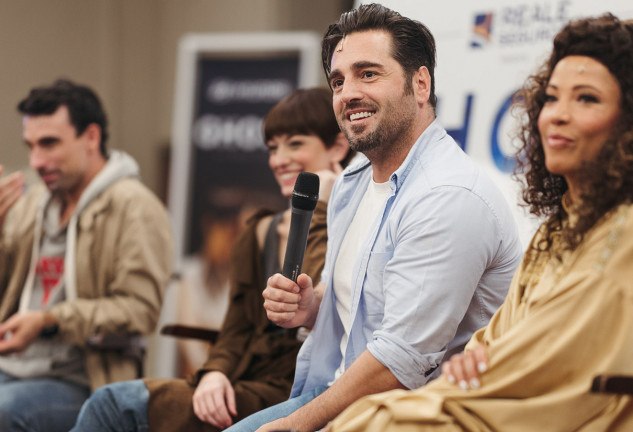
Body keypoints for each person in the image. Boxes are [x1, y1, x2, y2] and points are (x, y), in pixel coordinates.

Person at [327, 13, 633, 432]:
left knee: (373, 422)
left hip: (547, 409)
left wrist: (487, 367)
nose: (556, 116)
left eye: (587, 99)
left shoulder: (624, 233)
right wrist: (477, 355)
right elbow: (497, 342)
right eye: (551, 98)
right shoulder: (556, 229)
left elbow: (548, 362)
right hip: (483, 392)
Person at [226, 4, 523, 432]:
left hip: (412, 415)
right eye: (338, 81)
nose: (347, 94)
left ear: (421, 84)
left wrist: (294, 426)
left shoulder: (447, 196)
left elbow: (399, 364)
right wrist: (312, 307)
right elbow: (368, 303)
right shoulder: (354, 179)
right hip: (340, 395)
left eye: (368, 74)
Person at [69, 87, 354, 431]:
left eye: (295, 144)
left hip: (305, 387)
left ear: (338, 146)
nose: (279, 159)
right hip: (245, 381)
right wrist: (214, 373)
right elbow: (235, 327)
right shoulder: (259, 229)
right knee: (111, 403)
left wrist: (320, 206)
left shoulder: (358, 221)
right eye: (272, 148)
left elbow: (315, 297)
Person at [0, 79, 173, 432]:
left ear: (91, 137)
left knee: (5, 410)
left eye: (49, 144)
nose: (36, 160)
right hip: (12, 368)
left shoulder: (135, 206)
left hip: (86, 379)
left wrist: (49, 320)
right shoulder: (32, 204)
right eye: (31, 146)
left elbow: (139, 311)